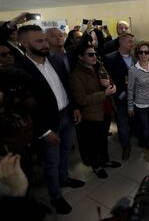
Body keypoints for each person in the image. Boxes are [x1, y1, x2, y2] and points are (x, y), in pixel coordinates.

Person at [15, 25, 84, 214]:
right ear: (23, 43)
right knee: (50, 162)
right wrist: (44, 131)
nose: (45, 44)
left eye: (45, 39)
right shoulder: (20, 70)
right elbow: (25, 107)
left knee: (64, 154)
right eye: (39, 41)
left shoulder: (55, 60)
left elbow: (66, 87)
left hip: (66, 115)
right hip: (47, 125)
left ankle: (64, 178)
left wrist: (74, 107)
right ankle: (56, 196)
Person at [69, 43, 121, 179]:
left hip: (106, 109)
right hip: (92, 114)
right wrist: (105, 93)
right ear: (80, 57)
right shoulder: (76, 75)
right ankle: (96, 165)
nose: (94, 57)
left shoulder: (99, 66)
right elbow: (82, 99)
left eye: (95, 54)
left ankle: (105, 160)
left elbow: (110, 81)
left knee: (104, 140)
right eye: (90, 54)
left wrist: (112, 86)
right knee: (93, 143)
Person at [103, 33, 136, 161]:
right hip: (120, 98)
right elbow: (108, 80)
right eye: (129, 41)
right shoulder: (110, 58)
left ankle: (135, 138)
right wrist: (120, 94)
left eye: (133, 41)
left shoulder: (135, 58)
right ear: (121, 42)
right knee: (122, 124)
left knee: (134, 121)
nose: (132, 44)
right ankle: (126, 148)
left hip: (135, 97)